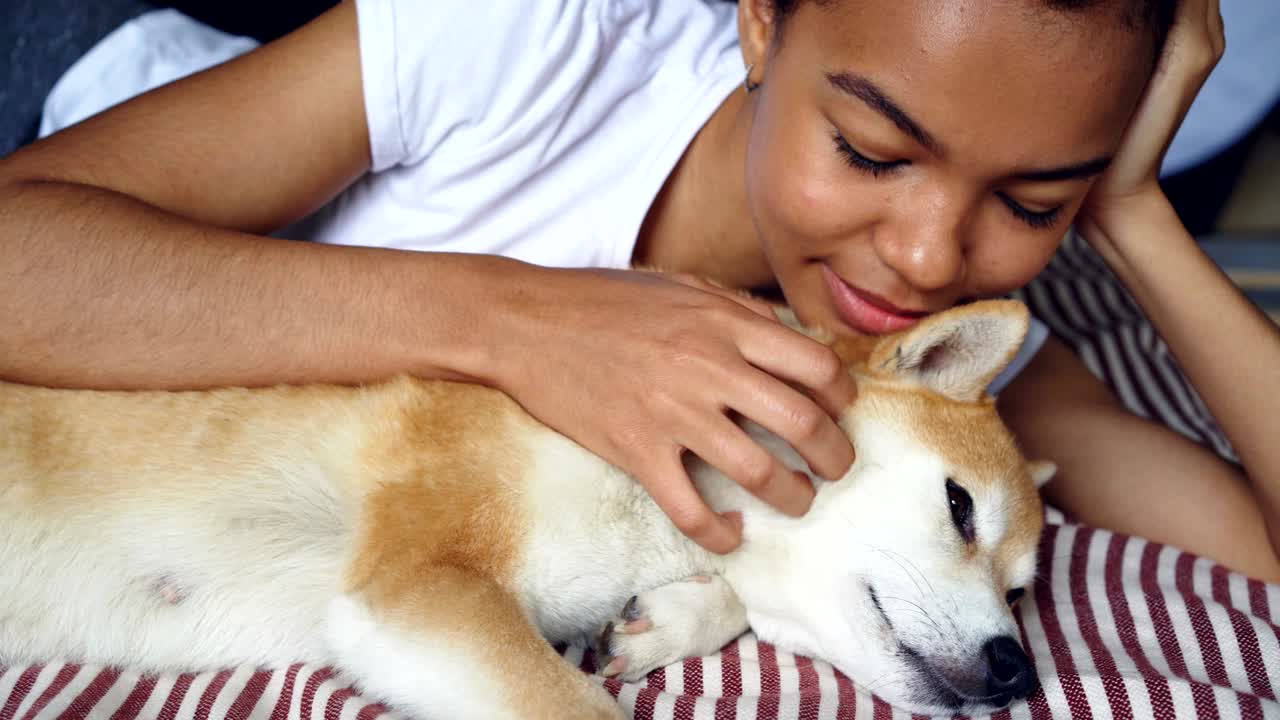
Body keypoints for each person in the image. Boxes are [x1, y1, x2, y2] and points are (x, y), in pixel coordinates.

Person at [1, 0, 1276, 581]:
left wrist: (1130, 216)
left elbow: (1248, 554)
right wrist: (514, 318)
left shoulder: (939, 349)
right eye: (869, 153)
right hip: (72, 78)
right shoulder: (523, 38)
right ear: (762, 21)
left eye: (1030, 200)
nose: (933, 256)